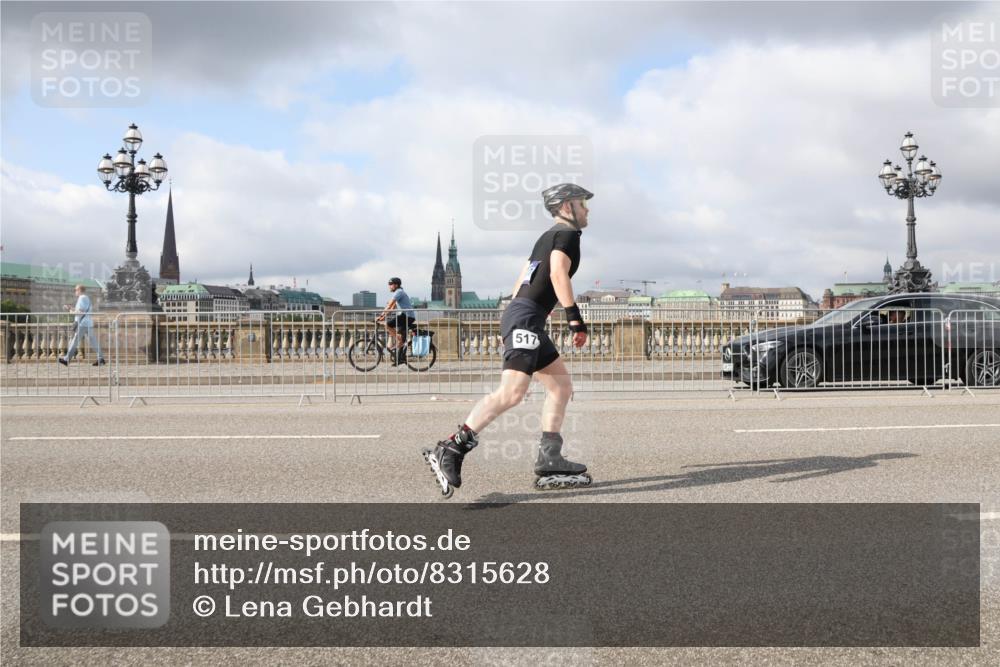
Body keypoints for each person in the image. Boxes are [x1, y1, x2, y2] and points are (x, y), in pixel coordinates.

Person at [423, 183, 593, 496]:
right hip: (526, 318)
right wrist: (573, 317)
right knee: (513, 392)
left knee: (560, 387)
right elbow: (558, 274)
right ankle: (451, 447)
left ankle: (550, 457)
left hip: (525, 317)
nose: (587, 210)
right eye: (583, 204)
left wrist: (527, 314)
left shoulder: (546, 237)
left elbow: (524, 279)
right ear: (568, 207)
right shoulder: (567, 235)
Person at [58, 284, 105, 366]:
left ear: (80, 290)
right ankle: (101, 359)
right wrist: (71, 308)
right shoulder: (85, 298)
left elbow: (80, 312)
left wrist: (70, 311)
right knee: (93, 341)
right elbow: (81, 310)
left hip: (82, 323)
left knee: (75, 340)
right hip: (87, 322)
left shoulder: (82, 298)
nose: (75, 291)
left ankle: (66, 359)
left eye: (76, 290)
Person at [377, 277, 416, 366]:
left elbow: (390, 304)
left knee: (387, 325)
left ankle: (398, 337)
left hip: (406, 316)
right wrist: (383, 316)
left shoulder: (399, 292)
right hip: (407, 316)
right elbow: (391, 307)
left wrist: (381, 316)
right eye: (389, 285)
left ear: (396, 285)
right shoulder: (399, 292)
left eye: (391, 285)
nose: (389, 287)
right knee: (401, 340)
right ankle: (400, 359)